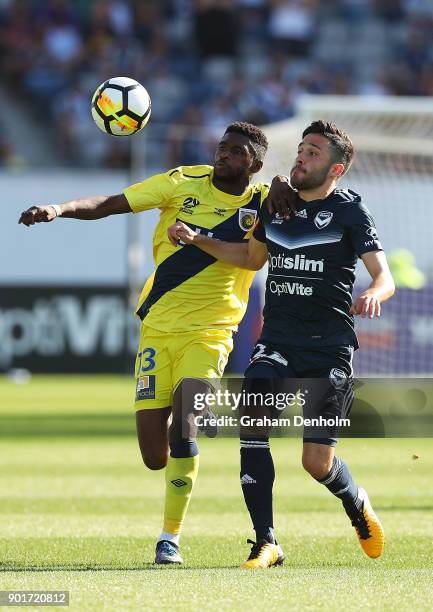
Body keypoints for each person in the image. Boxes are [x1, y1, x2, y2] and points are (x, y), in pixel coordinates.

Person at [18, 121, 284, 565]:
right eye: (222, 147)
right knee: (154, 456)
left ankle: (170, 538)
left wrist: (281, 184)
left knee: (186, 424)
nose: (223, 155)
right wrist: (57, 208)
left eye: (235, 152)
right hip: (158, 329)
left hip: (212, 331)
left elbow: (298, 197)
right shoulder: (181, 182)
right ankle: (186, 440)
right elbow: (110, 203)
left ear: (254, 164)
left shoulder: (263, 204)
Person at [168, 119, 395, 568]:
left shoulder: (351, 212)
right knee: (252, 427)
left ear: (336, 169)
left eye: (313, 153)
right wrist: (200, 240)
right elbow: (251, 258)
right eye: (301, 149)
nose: (301, 157)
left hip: (329, 347)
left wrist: (373, 292)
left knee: (317, 463)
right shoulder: (277, 206)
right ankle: (266, 541)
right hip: (277, 340)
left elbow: (384, 276)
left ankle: (356, 503)